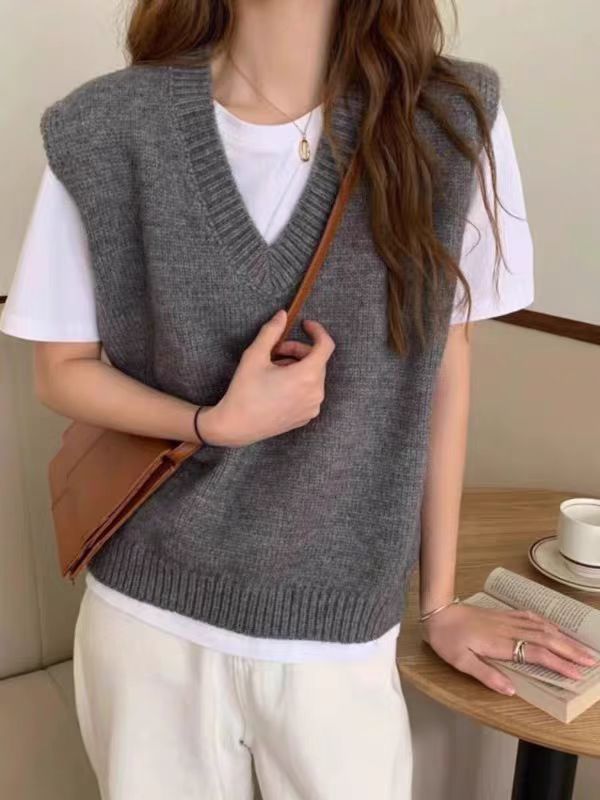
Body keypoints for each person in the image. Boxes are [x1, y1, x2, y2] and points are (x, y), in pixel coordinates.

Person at [1, 1, 597, 798]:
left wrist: (440, 603)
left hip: (338, 637)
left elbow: (445, 367)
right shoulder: (106, 126)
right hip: (148, 624)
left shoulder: (451, 121)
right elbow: (59, 371)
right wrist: (214, 424)